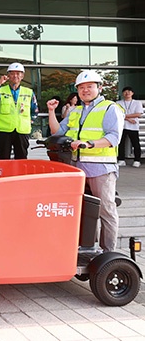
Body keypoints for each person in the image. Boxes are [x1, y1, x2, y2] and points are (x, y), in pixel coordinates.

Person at [47, 70, 124, 252]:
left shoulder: (110, 108)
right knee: (85, 211)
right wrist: (51, 111)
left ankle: (108, 253)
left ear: (99, 87)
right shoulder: (76, 111)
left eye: (89, 86)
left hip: (101, 169)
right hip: (77, 169)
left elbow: (114, 137)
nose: (85, 90)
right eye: (81, 87)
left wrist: (89, 144)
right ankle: (88, 248)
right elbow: (58, 132)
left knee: (106, 210)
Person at [0, 62, 38, 159]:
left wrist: (30, 122)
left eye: (18, 73)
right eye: (12, 73)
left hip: (22, 131)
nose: (15, 76)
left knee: (21, 158)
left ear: (22, 76)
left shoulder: (29, 92)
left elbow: (35, 110)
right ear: (8, 75)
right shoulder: (1, 90)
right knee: (3, 158)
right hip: (4, 130)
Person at [116, 86, 143, 168]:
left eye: (129, 91)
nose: (127, 93)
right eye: (125, 91)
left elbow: (138, 114)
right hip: (121, 126)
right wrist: (129, 119)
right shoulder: (118, 103)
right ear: (123, 93)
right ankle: (121, 159)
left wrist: (125, 117)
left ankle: (137, 160)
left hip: (133, 126)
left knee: (135, 144)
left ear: (132, 93)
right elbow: (117, 114)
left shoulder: (137, 103)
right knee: (121, 143)